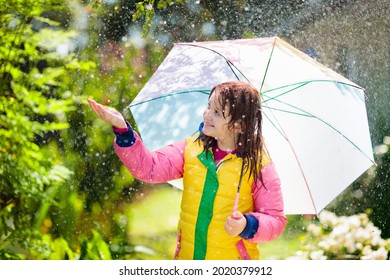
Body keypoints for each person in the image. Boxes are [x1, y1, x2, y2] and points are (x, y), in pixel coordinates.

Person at [88, 81, 287, 260]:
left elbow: (275, 220)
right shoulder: (190, 150)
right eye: (209, 106)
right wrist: (123, 130)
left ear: (239, 124)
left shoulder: (259, 167)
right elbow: (148, 168)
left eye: (217, 112)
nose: (207, 114)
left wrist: (247, 225)